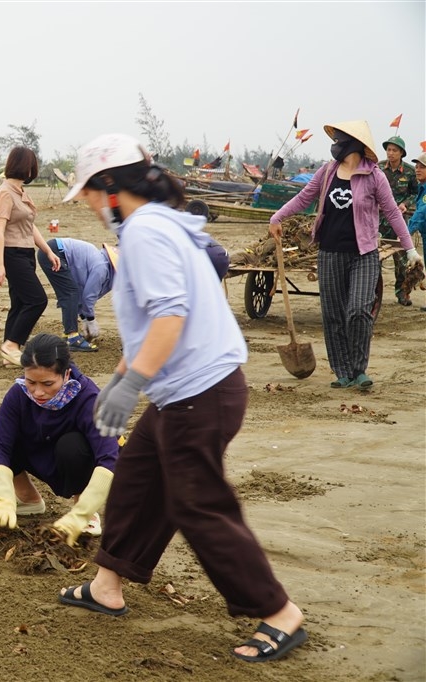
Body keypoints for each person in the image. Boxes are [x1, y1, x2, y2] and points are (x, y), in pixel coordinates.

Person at [59, 133, 307, 664]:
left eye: (86, 193)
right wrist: (122, 376)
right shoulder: (159, 225)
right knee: (137, 480)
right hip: (186, 391)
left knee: (198, 503)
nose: (85, 203)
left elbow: (170, 317)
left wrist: (130, 384)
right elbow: (149, 324)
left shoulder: (147, 231)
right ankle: (108, 585)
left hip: (202, 391)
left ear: (108, 186)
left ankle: (278, 611)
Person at [271, 121, 422, 388]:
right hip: (329, 252)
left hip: (363, 253)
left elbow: (392, 213)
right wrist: (278, 216)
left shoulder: (375, 176)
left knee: (358, 310)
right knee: (333, 314)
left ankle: (359, 369)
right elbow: (305, 197)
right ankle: (342, 372)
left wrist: (410, 249)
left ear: (353, 144)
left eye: (339, 140)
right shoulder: (328, 171)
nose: (335, 145)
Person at [0, 333, 119, 541]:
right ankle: (26, 499)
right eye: (31, 382)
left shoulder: (89, 398)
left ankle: (84, 511)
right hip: (38, 454)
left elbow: (109, 458)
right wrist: (4, 498)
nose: (37, 392)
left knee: (72, 444)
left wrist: (82, 512)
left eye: (47, 383)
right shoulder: (18, 394)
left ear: (66, 373)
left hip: (73, 460)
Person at [0, 146, 61, 366]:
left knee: (20, 303)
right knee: (37, 300)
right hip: (12, 254)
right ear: (26, 166)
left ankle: (8, 355)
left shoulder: (21, 192)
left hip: (26, 253)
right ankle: (12, 344)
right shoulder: (5, 192)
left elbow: (30, 227)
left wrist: (47, 250)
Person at [37, 237, 116, 351]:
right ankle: (72, 337)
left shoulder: (103, 268)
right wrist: (90, 320)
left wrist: (84, 317)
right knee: (69, 293)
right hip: (54, 252)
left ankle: (68, 334)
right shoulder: (101, 268)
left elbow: (81, 295)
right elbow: (88, 297)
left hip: (53, 251)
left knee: (70, 293)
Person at [378, 136, 419, 305]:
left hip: (400, 221)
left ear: (401, 153)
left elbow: (415, 193)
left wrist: (405, 204)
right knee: (374, 258)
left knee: (401, 260)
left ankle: (401, 293)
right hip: (379, 220)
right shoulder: (378, 168)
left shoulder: (409, 172)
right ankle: (373, 291)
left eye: (394, 150)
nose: (391, 153)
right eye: (388, 150)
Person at [408, 152, 426, 311]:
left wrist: (407, 232)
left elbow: (421, 213)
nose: (417, 170)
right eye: (416, 166)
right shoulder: (422, 188)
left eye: (422, 167)